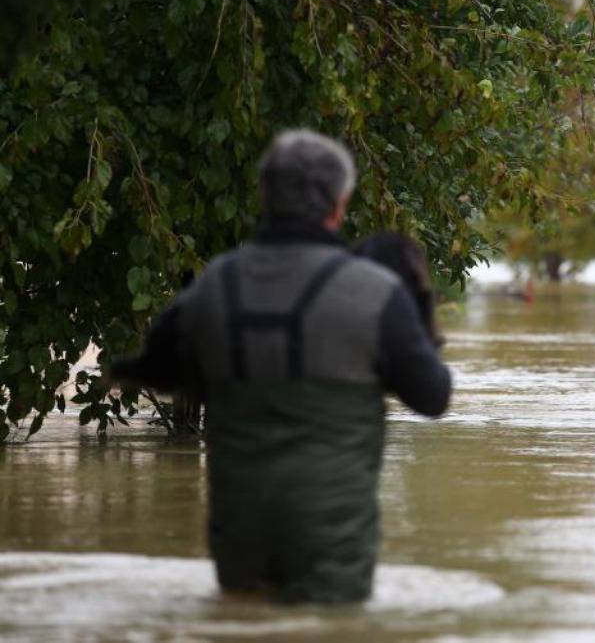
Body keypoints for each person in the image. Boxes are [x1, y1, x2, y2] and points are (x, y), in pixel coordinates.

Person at [111, 129, 451, 603]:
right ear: (338, 205)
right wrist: (418, 310)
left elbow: (155, 368)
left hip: (238, 542)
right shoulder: (376, 294)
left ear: (265, 197)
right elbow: (433, 397)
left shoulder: (215, 285)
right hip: (332, 550)